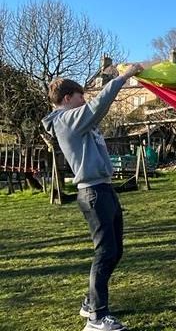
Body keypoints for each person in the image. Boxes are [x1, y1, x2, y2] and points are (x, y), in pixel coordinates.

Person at [42, 63, 143, 331]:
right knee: (105, 252)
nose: (84, 100)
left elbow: (95, 110)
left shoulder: (76, 119)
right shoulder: (65, 120)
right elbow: (98, 105)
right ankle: (97, 318)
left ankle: (90, 303)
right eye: (80, 96)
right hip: (93, 192)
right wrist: (123, 77)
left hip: (104, 189)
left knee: (115, 251)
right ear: (67, 99)